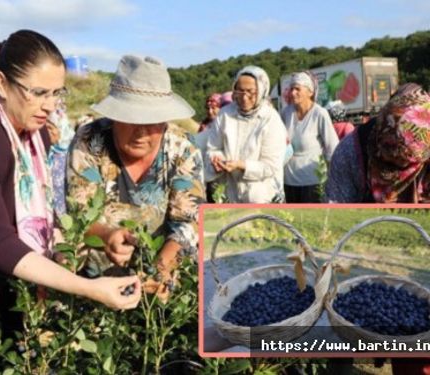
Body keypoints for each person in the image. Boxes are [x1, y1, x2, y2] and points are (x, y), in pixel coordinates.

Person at [0, 29, 140, 339]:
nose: (50, 105)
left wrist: (103, 235)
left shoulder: (34, 136)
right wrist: (88, 288)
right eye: (39, 92)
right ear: (3, 84)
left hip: (9, 295)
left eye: (58, 93)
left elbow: (36, 215)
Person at [66, 55, 205, 293]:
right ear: (115, 116)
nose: (141, 132)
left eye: (152, 121)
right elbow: (79, 214)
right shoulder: (90, 141)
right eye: (131, 119)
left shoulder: (182, 149)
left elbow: (188, 223)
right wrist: (106, 235)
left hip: (162, 276)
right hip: (98, 282)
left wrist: (160, 268)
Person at [325, 83, 430, 203]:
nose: (399, 164)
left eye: (408, 159)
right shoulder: (349, 153)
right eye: (391, 155)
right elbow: (336, 209)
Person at [204, 65, 286, 203]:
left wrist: (241, 165)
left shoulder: (271, 119)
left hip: (262, 195)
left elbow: (271, 166)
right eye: (240, 91)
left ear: (261, 91)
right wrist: (217, 160)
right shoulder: (225, 114)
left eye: (250, 92)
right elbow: (213, 147)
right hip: (230, 192)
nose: (244, 97)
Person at [282, 71, 339, 203]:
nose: (293, 92)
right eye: (291, 89)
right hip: (289, 181)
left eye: (297, 89)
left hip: (312, 181)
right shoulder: (286, 113)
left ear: (310, 92)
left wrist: (333, 180)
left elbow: (332, 148)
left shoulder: (320, 114)